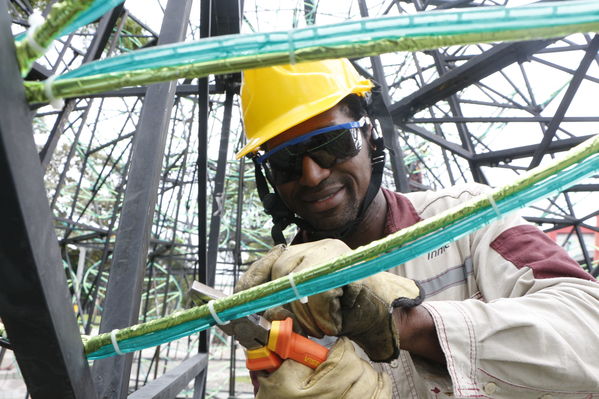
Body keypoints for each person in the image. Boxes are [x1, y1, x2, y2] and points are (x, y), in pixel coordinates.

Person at [233, 58, 599, 398]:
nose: (313, 174)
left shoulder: (465, 219)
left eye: (331, 144)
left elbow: (590, 334)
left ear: (370, 136)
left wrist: (408, 324)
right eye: (285, 161)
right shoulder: (278, 301)